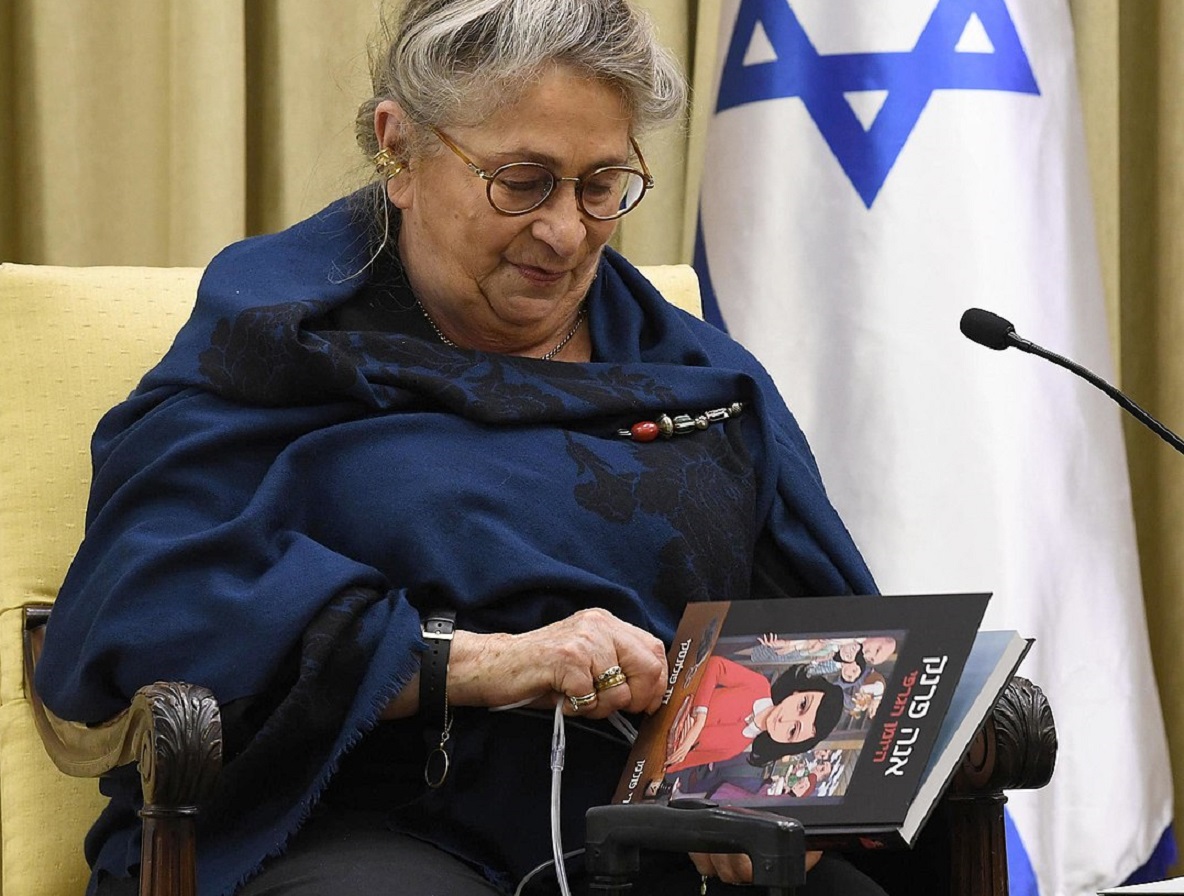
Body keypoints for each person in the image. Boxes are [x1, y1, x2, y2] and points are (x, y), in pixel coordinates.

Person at [34, 2, 888, 895]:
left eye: (602, 186)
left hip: (657, 821)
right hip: (353, 816)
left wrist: (768, 775)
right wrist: (480, 663)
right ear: (399, 149)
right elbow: (145, 603)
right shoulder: (278, 341)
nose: (565, 232)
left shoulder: (697, 372)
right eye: (522, 181)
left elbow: (820, 629)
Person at [664, 657, 843, 773]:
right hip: (668, 692)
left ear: (788, 744)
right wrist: (699, 718)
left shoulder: (733, 749)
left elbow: (675, 764)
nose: (784, 720)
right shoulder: (758, 685)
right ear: (797, 692)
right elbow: (715, 665)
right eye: (802, 705)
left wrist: (676, 752)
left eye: (792, 731)